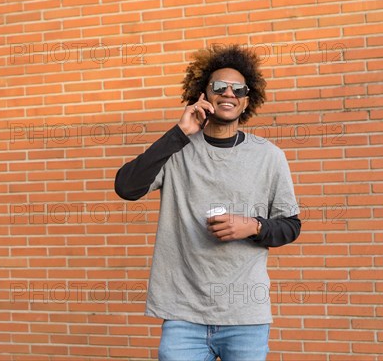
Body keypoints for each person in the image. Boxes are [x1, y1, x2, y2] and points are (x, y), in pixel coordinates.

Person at [114, 44, 301, 361]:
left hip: (245, 316)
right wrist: (180, 132)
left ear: (246, 100)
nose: (228, 92)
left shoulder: (269, 156)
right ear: (203, 95)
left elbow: (290, 226)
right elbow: (127, 187)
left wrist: (252, 226)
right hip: (182, 313)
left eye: (238, 89)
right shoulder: (178, 149)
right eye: (219, 86)